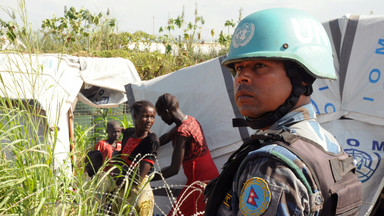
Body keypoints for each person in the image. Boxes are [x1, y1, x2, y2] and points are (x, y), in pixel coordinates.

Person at [204, 8, 362, 216]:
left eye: (259, 65)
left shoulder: (272, 168)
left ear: (302, 77)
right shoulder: (326, 144)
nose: (242, 78)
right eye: (239, 68)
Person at [152, 93, 219, 216]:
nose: (163, 120)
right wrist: (149, 143)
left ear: (167, 111)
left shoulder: (182, 133)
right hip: (209, 175)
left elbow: (174, 169)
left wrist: (147, 177)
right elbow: (167, 137)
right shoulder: (191, 120)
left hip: (200, 181)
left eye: (161, 116)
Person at [115, 100, 160, 216]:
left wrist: (121, 181)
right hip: (122, 182)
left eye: (152, 117)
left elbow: (139, 177)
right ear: (135, 116)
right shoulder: (128, 133)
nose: (149, 121)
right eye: (145, 116)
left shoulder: (151, 141)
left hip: (137, 189)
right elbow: (121, 156)